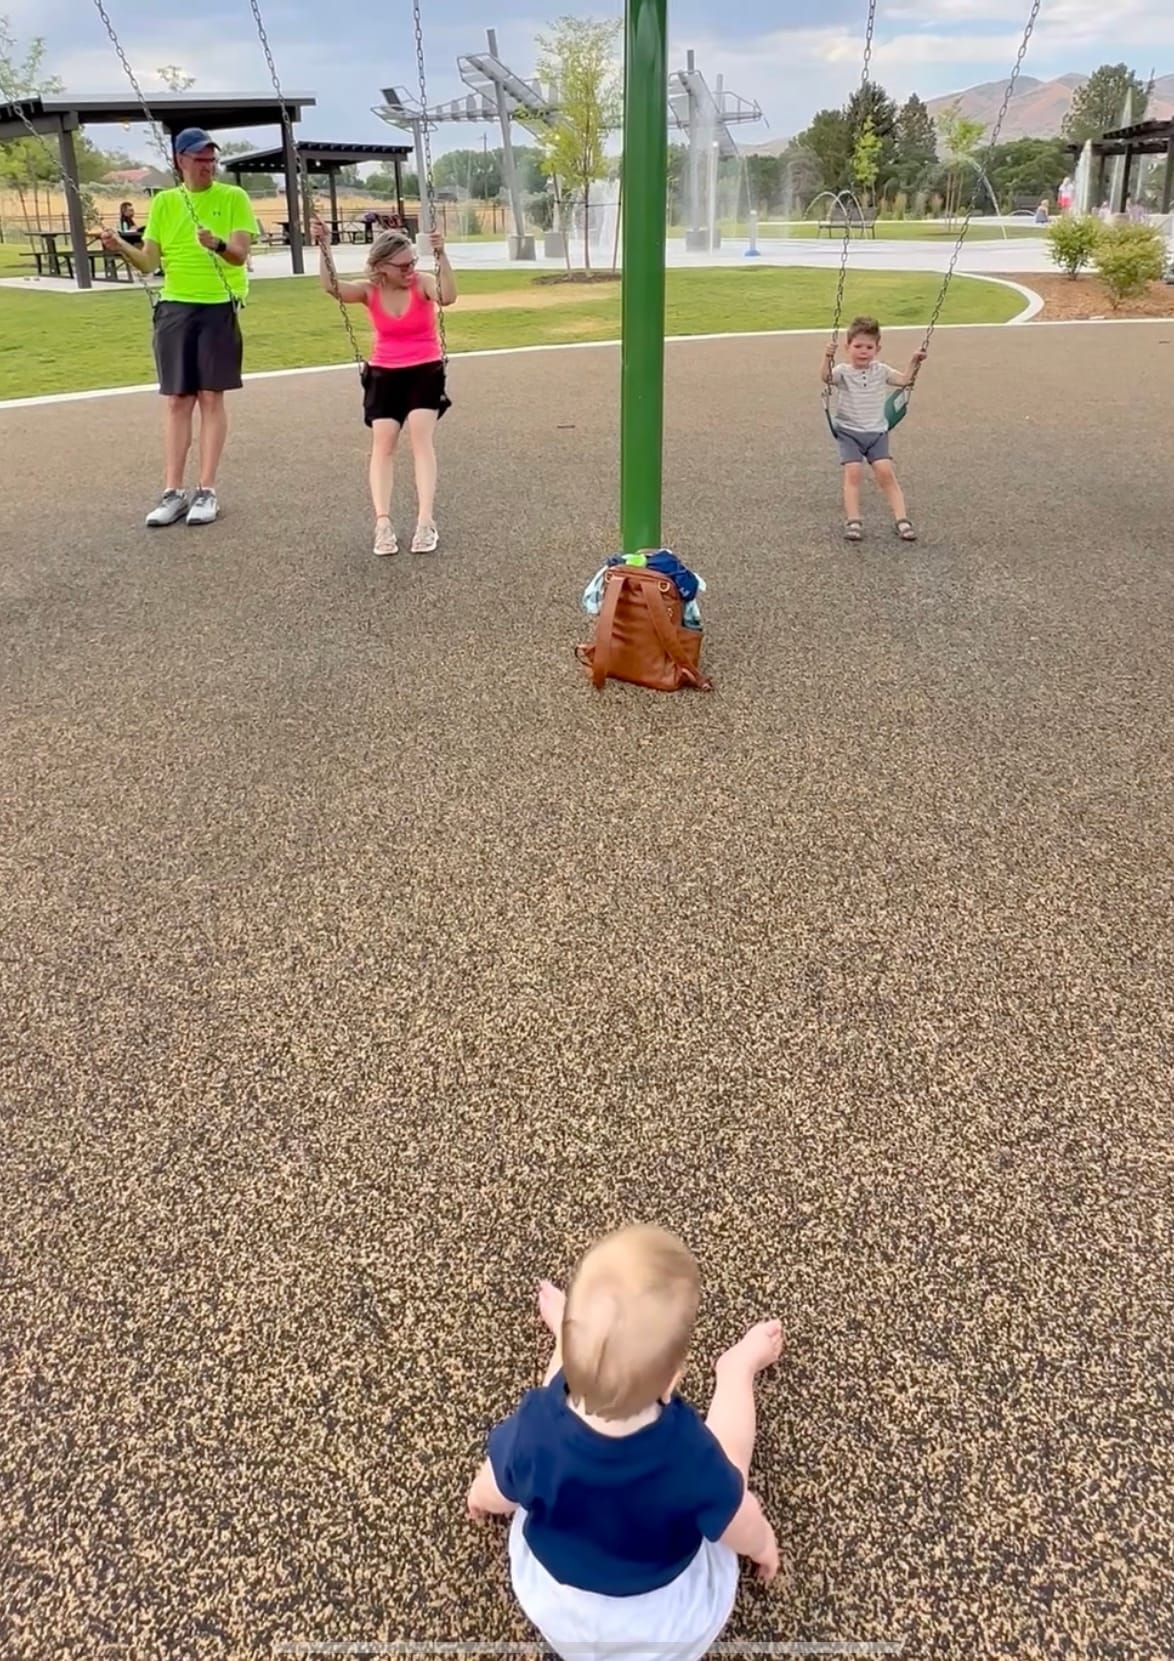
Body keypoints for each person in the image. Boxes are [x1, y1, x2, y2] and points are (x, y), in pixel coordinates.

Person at [465, 1225, 784, 1661]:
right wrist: (762, 1542)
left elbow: (495, 1487)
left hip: (563, 1610)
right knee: (730, 1468)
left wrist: (479, 1497)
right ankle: (735, 1371)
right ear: (671, 1381)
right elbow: (738, 1518)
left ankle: (568, 1339)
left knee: (553, 1399)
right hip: (664, 1621)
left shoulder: (537, 1425)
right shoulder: (688, 1453)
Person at [99, 128, 258, 528]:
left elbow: (240, 255)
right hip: (174, 306)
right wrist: (121, 246)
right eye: (200, 159)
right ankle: (172, 492)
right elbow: (149, 263)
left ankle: (207, 490)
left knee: (211, 396)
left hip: (218, 305)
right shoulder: (165, 203)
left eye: (211, 159)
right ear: (180, 161)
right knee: (177, 399)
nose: (208, 166)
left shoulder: (233, 197)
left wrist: (216, 244)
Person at [311, 216, 456, 556]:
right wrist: (324, 246)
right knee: (384, 442)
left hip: (425, 368)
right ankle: (383, 523)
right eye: (402, 266)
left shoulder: (422, 283)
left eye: (413, 263)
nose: (410, 270)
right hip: (384, 372)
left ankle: (425, 521)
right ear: (381, 267)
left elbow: (447, 296)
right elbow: (332, 287)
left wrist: (442, 255)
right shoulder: (369, 291)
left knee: (420, 435)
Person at [822, 316, 924, 543]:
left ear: (877, 349)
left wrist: (914, 361)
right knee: (853, 472)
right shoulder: (842, 371)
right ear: (848, 347)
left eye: (869, 347)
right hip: (849, 432)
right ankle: (853, 520)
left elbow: (905, 380)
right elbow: (826, 378)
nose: (863, 351)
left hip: (876, 432)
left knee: (885, 472)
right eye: (858, 346)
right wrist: (827, 357)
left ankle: (902, 519)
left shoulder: (881, 371)